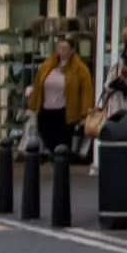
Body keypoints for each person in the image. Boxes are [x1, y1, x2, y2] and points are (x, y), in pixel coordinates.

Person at [31, 31, 93, 164]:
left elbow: (86, 91)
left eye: (65, 48)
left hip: (65, 111)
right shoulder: (48, 65)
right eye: (59, 47)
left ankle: (60, 164)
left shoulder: (80, 69)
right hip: (46, 109)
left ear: (72, 51)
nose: (61, 50)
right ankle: (53, 157)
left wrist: (85, 113)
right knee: (45, 134)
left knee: (63, 140)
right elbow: (37, 84)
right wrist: (33, 101)